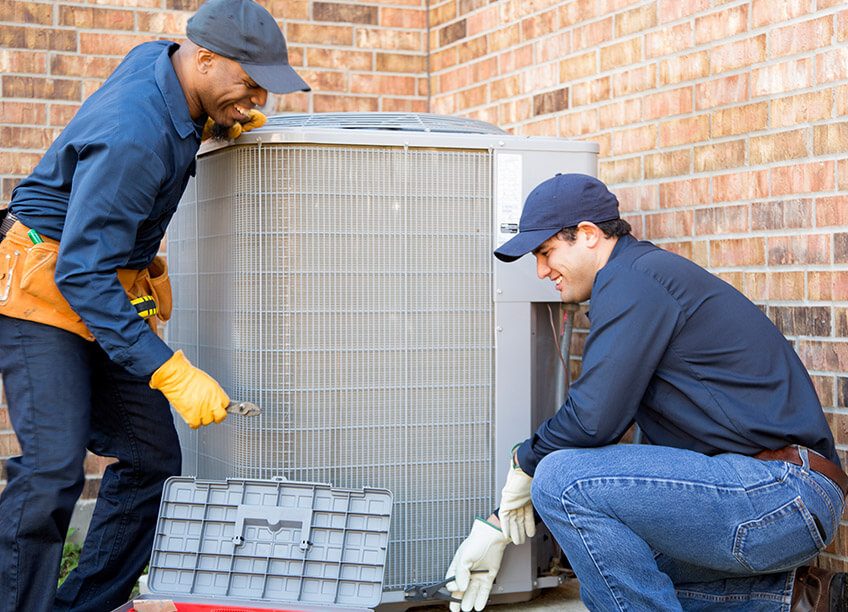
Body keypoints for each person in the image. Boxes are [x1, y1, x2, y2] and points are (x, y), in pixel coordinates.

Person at [0, 1, 309, 610]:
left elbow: (97, 265)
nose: (252, 98)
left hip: (99, 279)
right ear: (206, 58)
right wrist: (168, 369)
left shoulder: (166, 65)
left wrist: (218, 119)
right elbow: (81, 273)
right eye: (247, 84)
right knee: (52, 472)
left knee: (152, 460)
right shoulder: (134, 135)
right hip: (47, 287)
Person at [444, 173, 848, 612]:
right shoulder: (637, 280)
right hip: (772, 499)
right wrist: (501, 522)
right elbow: (616, 446)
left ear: (588, 234)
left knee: (560, 477)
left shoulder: (633, 282)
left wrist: (525, 463)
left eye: (546, 253)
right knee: (611, 564)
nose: (542, 272)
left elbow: (593, 419)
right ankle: (803, 600)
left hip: (780, 494)